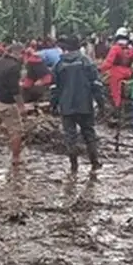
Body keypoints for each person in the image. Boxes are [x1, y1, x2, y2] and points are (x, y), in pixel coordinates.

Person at [51, 35, 106, 172]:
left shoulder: (59, 65)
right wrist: (101, 103)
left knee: (70, 136)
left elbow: (55, 89)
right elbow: (96, 85)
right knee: (89, 133)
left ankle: (73, 166)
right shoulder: (86, 62)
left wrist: (53, 104)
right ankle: (95, 162)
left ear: (65, 49)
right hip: (85, 105)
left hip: (66, 106)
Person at [100, 28, 133, 109]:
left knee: (114, 86)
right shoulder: (132, 49)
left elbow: (108, 63)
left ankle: (116, 104)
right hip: (129, 72)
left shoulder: (115, 48)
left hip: (117, 72)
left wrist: (100, 69)